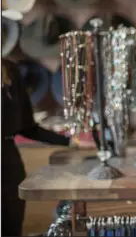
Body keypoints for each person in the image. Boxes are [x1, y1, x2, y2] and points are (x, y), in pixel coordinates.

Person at [1, 59, 93, 236]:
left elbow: (28, 127)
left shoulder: (11, 70)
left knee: (11, 226)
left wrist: (71, 142)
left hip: (8, 166)